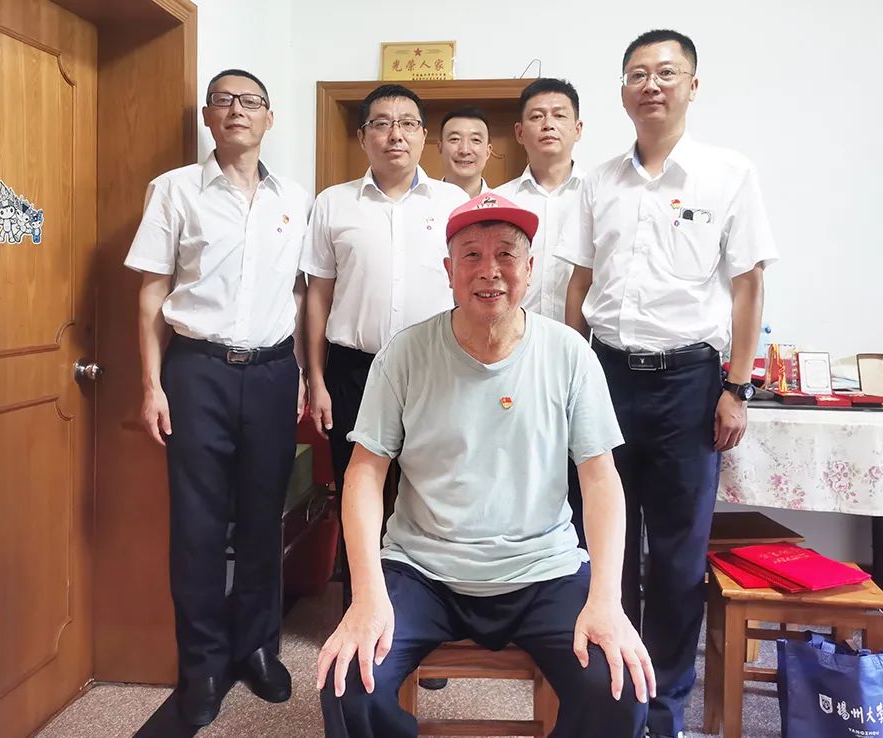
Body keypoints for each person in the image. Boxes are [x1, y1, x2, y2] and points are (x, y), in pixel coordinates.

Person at [316, 193, 655, 738]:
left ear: (530, 267)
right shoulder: (404, 354)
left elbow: (600, 480)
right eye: (471, 254)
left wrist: (607, 600)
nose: (489, 270)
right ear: (448, 271)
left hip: (542, 568)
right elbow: (363, 473)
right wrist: (366, 593)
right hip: (423, 569)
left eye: (506, 254)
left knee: (618, 689)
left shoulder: (569, 354)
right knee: (348, 682)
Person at [559, 30, 778, 738]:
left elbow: (748, 285)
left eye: (665, 72)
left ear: (692, 85)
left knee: (679, 555)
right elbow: (579, 284)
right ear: (623, 90)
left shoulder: (728, 173)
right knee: (604, 546)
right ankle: (612, 696)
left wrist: (737, 387)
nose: (650, 84)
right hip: (607, 375)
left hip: (689, 382)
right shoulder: (598, 181)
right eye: (636, 74)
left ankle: (664, 708)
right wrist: (573, 371)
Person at [124, 69, 313, 726]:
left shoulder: (296, 199)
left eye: (251, 101)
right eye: (224, 100)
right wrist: (151, 384)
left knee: (263, 517)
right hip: (196, 371)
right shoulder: (175, 190)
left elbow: (299, 293)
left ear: (269, 118)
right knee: (198, 525)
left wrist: (299, 371)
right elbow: (152, 292)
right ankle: (202, 663)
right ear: (207, 116)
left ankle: (257, 648)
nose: (237, 110)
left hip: (271, 373)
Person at [302, 83, 467, 606]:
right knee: (359, 490)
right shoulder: (333, 203)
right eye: (381, 123)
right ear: (363, 136)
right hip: (353, 370)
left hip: (437, 368)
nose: (395, 134)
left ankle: (428, 616)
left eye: (407, 123)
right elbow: (317, 296)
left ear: (424, 136)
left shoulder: (452, 203)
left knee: (433, 495)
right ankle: (360, 611)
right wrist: (316, 379)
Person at [495, 78, 584, 323]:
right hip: (513, 336)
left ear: (578, 129)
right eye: (536, 117)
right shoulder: (499, 201)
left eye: (559, 115)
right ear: (519, 132)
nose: (548, 125)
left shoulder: (597, 194)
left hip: (582, 338)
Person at [437, 106, 493, 197]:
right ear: (440, 147)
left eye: (475, 140)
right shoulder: (423, 203)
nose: (465, 150)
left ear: (488, 151)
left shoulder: (503, 204)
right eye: (455, 139)